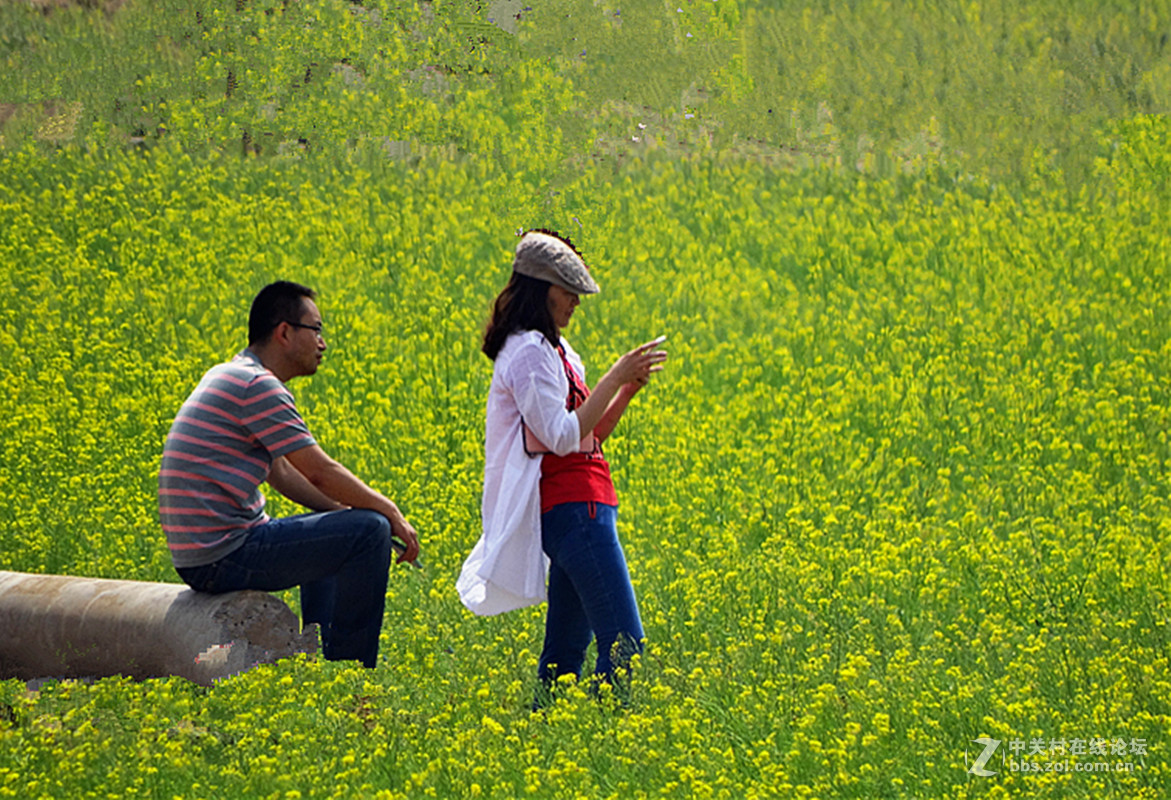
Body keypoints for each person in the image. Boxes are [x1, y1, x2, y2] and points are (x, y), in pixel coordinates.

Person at [158, 281, 420, 669]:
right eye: (316, 330)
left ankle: (321, 660)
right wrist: (390, 514)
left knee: (345, 529)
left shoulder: (234, 373)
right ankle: (348, 672)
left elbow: (281, 471)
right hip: (223, 553)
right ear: (284, 332)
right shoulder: (257, 385)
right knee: (369, 533)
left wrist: (342, 513)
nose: (323, 343)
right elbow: (318, 472)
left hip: (199, 553)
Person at [457, 230, 667, 705]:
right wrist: (614, 373)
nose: (575, 301)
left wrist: (626, 389)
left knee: (565, 653)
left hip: (590, 504)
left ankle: (540, 734)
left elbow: (588, 434)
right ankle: (608, 734)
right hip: (573, 510)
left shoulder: (556, 352)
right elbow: (560, 437)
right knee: (625, 644)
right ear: (541, 288)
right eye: (567, 290)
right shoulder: (528, 351)